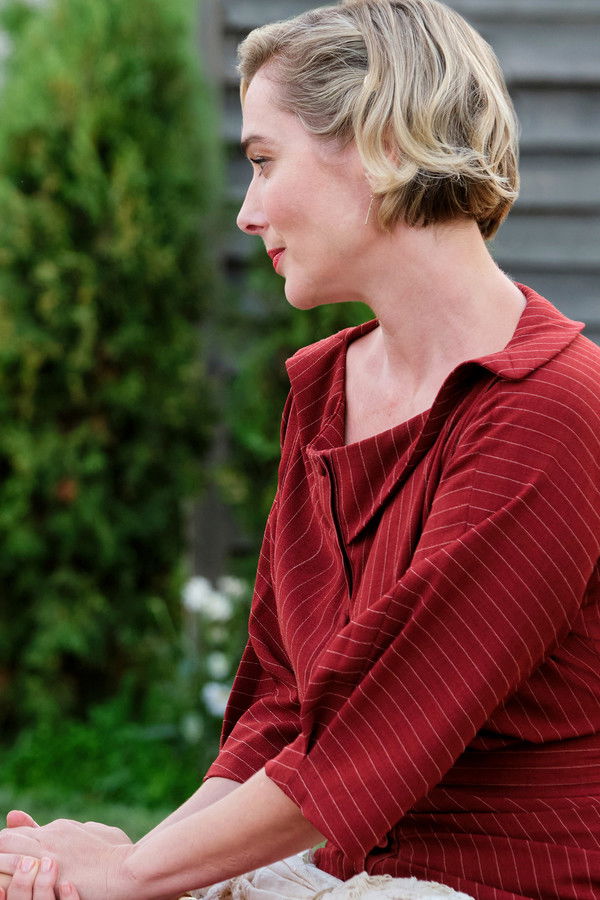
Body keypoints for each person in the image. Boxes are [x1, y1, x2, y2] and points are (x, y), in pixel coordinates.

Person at [1, 0, 599, 897]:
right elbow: (283, 707)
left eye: (263, 161)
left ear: (382, 145)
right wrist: (122, 870)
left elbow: (369, 740)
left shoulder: (555, 409)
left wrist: (129, 878)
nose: (247, 212)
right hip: (342, 871)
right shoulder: (327, 390)